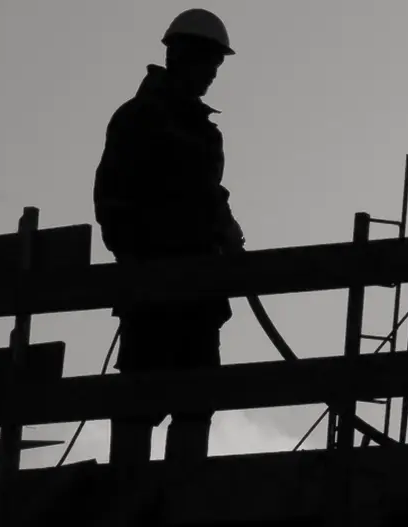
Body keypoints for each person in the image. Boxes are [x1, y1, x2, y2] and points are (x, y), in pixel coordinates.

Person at [93, 8, 243, 465]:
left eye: (217, 66)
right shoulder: (139, 120)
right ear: (183, 57)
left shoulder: (202, 131)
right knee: (141, 401)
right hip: (152, 292)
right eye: (208, 63)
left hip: (198, 294)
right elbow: (113, 203)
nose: (213, 75)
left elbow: (206, 196)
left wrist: (226, 228)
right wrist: (143, 263)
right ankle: (130, 493)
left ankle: (183, 494)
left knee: (196, 400)